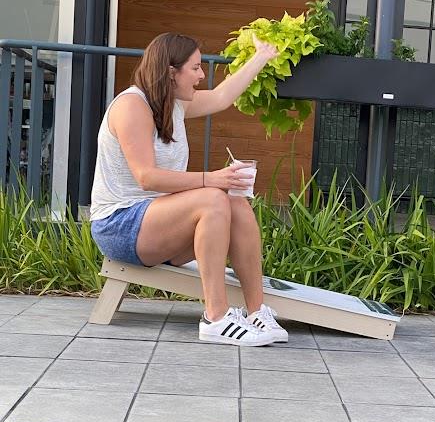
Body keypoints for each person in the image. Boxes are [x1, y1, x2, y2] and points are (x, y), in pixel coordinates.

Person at [90, 31, 287, 347]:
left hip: (161, 224)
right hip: (120, 226)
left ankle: (255, 311)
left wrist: (261, 57)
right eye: (195, 67)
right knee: (212, 198)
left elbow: (223, 96)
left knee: (235, 201)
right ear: (171, 71)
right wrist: (212, 179)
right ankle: (217, 317)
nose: (201, 74)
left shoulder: (175, 104)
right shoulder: (132, 106)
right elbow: (147, 177)